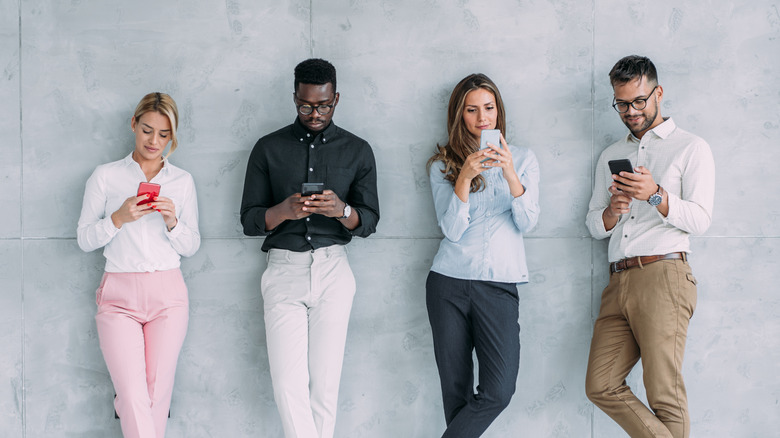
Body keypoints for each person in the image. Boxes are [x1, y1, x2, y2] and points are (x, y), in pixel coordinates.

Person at [240, 58, 379, 438]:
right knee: (288, 385)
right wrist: (283, 211)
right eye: (305, 105)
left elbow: (369, 220)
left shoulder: (358, 150)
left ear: (336, 98)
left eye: (323, 105)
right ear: (295, 98)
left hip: (334, 270)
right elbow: (250, 220)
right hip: (284, 271)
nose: (315, 114)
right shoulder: (268, 148)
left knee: (325, 388)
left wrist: (341, 210)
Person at [584, 55, 715, 438]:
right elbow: (594, 225)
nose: (631, 111)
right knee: (601, 384)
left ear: (658, 93)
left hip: (664, 276)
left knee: (665, 396)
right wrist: (613, 211)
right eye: (622, 104)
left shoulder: (691, 147)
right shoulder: (610, 154)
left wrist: (656, 194)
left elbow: (701, 220)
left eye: (639, 101)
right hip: (618, 281)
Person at [77, 92, 200, 438]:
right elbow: (84, 239)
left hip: (168, 295)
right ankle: (126, 404)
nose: (154, 141)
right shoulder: (105, 176)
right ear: (133, 124)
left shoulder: (183, 181)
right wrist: (118, 217)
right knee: (132, 396)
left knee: (156, 396)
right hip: (118, 296)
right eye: (147, 130)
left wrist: (173, 222)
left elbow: (192, 246)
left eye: (164, 134)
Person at [425, 73, 540, 438]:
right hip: (448, 283)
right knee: (456, 393)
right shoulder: (442, 164)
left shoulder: (523, 159)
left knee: (498, 390)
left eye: (488, 108)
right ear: (460, 115)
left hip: (499, 286)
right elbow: (452, 230)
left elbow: (527, 221)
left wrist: (509, 173)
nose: (482, 118)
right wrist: (463, 178)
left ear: (498, 110)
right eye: (471, 110)